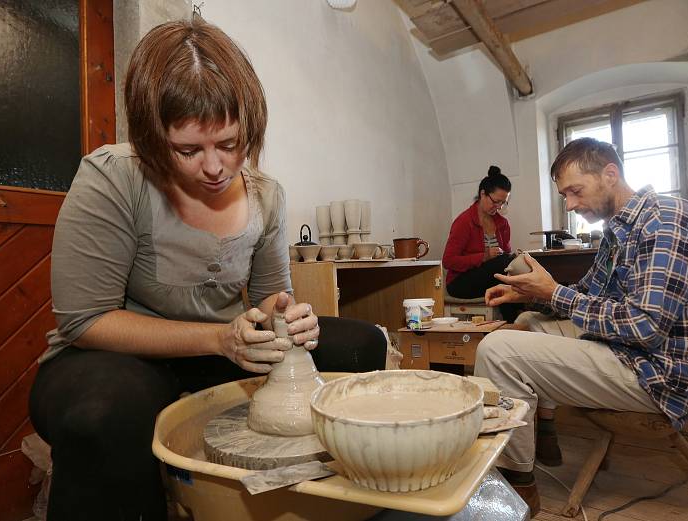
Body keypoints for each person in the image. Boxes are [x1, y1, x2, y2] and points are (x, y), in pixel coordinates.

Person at [29, 20, 385, 521]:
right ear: (154, 138)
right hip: (112, 357)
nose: (216, 168)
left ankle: (328, 504)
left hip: (223, 345)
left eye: (230, 143)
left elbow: (269, 298)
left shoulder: (266, 194)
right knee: (106, 412)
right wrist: (220, 340)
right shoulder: (114, 177)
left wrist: (288, 314)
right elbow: (85, 321)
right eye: (188, 150)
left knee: (361, 343)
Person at [475, 138, 688, 517]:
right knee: (526, 323)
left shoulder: (666, 221)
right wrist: (529, 294)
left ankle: (517, 486)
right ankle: (543, 434)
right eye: (565, 195)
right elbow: (586, 293)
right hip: (636, 353)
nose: (571, 204)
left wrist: (556, 293)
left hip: (663, 374)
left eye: (575, 191)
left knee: (497, 350)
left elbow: (645, 327)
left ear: (610, 174)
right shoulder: (620, 229)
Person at [442, 165, 523, 322]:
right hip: (460, 283)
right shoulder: (464, 222)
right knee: (503, 265)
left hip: (490, 277)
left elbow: (505, 258)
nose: (499, 207)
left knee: (511, 265)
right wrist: (484, 256)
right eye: (496, 201)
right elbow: (448, 261)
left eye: (503, 203)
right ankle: (516, 319)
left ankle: (516, 319)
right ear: (483, 194)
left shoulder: (503, 224)